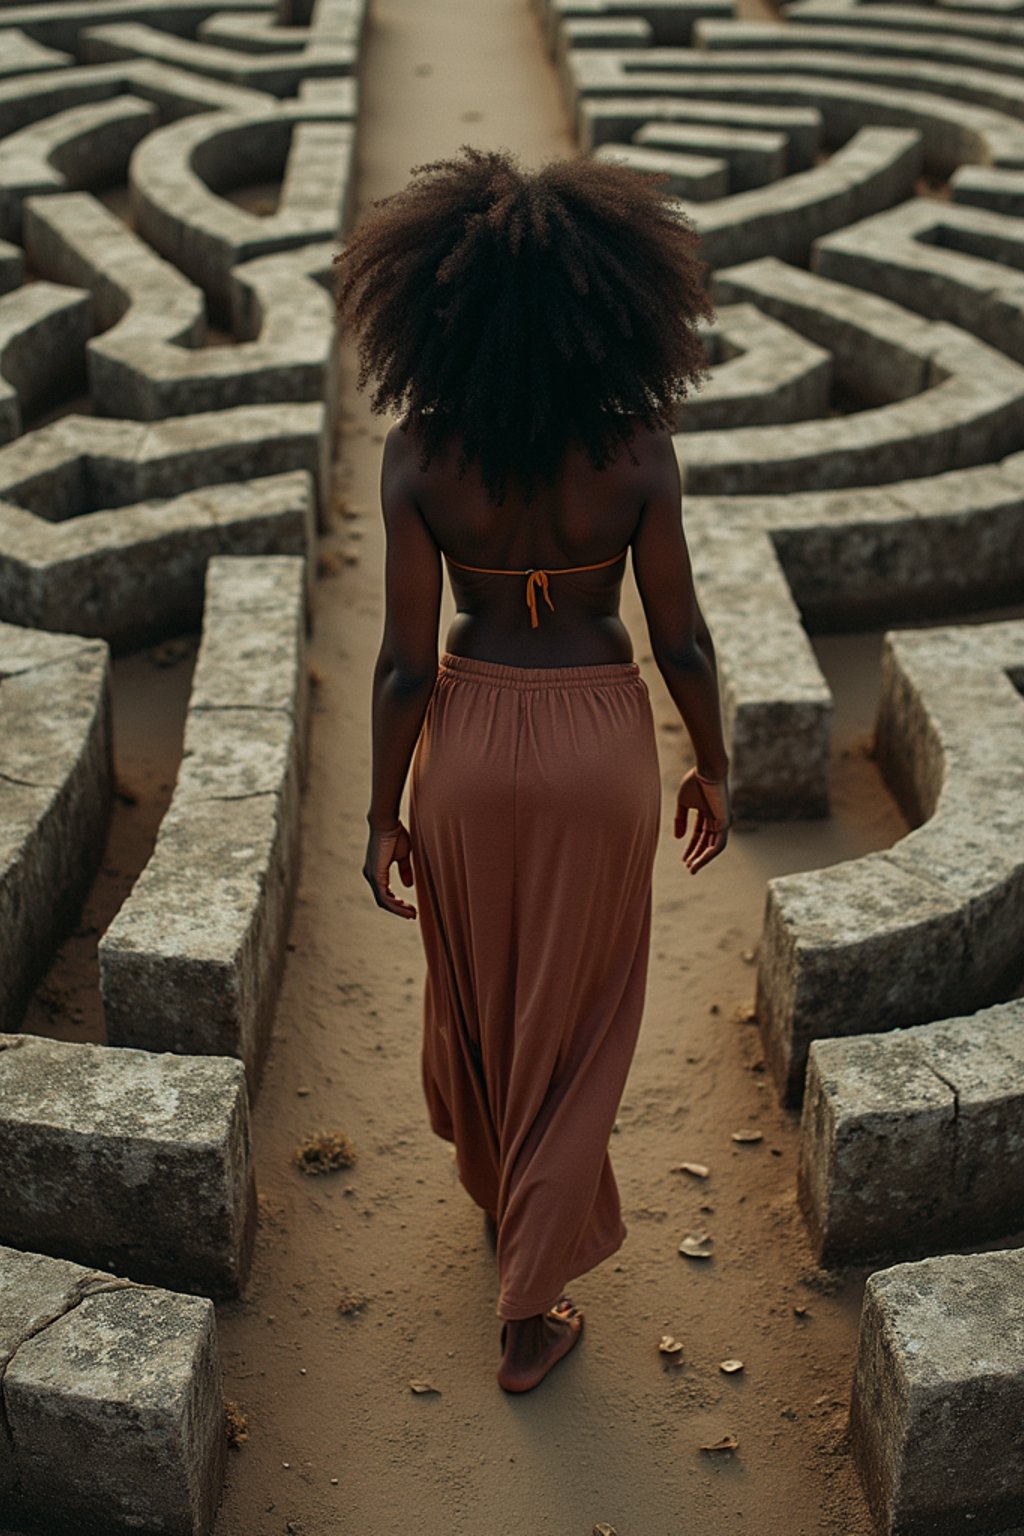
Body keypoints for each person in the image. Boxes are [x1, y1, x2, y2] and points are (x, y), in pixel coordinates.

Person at [333, 146, 732, 1394]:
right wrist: (711, 766)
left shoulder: (418, 458)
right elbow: (681, 638)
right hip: (598, 746)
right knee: (581, 1013)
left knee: (483, 985)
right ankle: (528, 1307)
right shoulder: (637, 453)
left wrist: (382, 811)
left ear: (433, 320)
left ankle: (513, 1214)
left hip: (466, 742)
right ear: (614, 306)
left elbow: (403, 665)